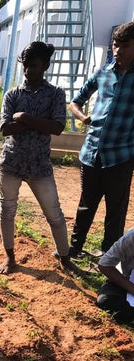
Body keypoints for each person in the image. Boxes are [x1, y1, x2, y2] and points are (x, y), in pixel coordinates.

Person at [0, 41, 75, 274]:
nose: (29, 71)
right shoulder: (12, 94)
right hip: (11, 162)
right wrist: (40, 123)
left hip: (40, 165)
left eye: (35, 66)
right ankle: (10, 257)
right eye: (26, 66)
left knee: (55, 215)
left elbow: (58, 127)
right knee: (7, 210)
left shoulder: (56, 94)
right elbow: (4, 129)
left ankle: (65, 258)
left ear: (46, 66)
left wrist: (25, 118)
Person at [67, 21, 134, 257]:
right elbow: (75, 101)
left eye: (125, 46)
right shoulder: (103, 73)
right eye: (115, 45)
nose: (118, 51)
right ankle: (74, 247)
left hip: (121, 157)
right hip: (92, 152)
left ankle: (109, 257)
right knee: (86, 204)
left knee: (115, 211)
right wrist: (84, 118)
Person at [96, 228, 134, 323]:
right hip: (126, 280)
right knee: (105, 301)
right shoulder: (131, 237)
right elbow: (104, 265)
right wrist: (132, 288)